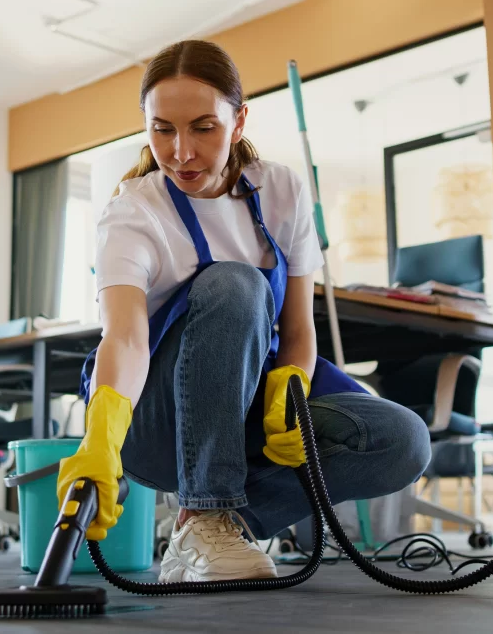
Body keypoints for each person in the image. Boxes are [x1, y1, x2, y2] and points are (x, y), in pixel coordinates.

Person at [57, 41, 431, 582]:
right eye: (162, 129)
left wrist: (292, 385)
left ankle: (214, 525)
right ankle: (206, 512)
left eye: (203, 127)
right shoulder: (133, 213)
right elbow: (126, 339)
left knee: (401, 441)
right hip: (157, 422)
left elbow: (300, 330)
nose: (181, 151)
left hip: (247, 408)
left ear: (239, 121)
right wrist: (101, 437)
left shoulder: (279, 190)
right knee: (236, 283)